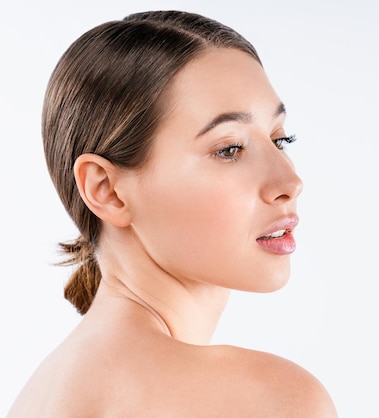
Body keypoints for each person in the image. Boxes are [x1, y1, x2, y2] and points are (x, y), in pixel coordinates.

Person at [9, 10, 337, 417]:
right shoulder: (270, 400)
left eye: (279, 138)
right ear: (107, 190)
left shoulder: (46, 391)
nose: (289, 182)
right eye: (229, 149)